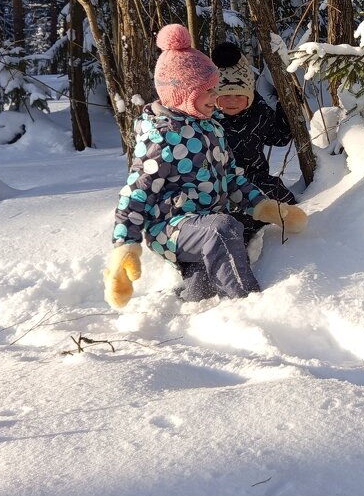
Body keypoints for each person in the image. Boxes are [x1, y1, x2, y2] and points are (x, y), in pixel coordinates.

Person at [103, 24, 308, 309]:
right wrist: (125, 245)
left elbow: (232, 179)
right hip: (171, 228)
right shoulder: (161, 137)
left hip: (205, 224)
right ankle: (250, 306)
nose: (216, 97)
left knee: (205, 284)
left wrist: (264, 206)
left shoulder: (212, 128)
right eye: (209, 91)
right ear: (183, 93)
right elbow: (136, 194)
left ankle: (189, 310)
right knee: (223, 228)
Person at [210, 42, 298, 237]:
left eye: (239, 95)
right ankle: (236, 234)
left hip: (257, 178)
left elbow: (279, 138)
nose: (232, 101)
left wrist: (286, 108)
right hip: (222, 185)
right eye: (225, 95)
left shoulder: (258, 113)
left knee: (283, 200)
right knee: (229, 213)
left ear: (249, 95)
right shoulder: (208, 121)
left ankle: (264, 228)